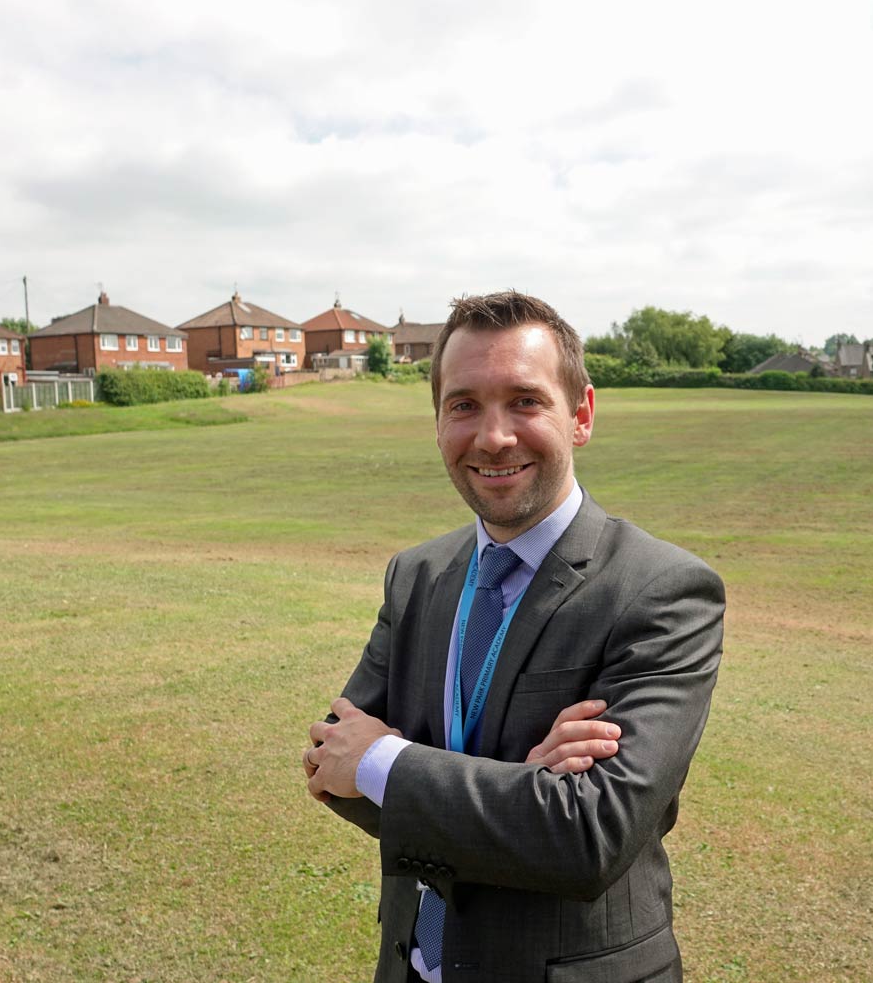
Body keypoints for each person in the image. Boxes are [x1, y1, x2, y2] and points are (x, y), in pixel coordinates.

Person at [304, 290, 724, 983]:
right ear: (438, 420)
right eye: (463, 404)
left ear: (580, 414)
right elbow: (331, 765)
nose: (493, 437)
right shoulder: (416, 575)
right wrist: (526, 793)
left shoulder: (662, 590)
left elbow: (589, 837)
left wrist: (390, 765)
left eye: (525, 401)